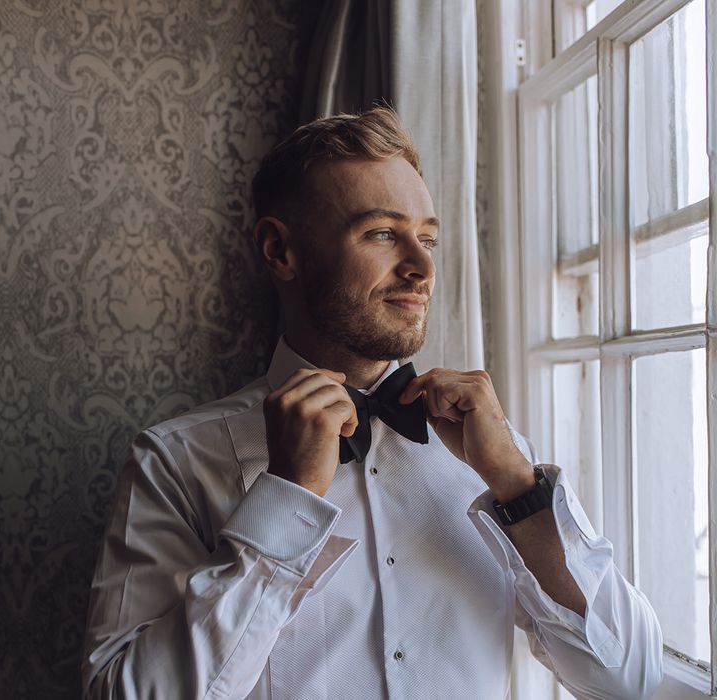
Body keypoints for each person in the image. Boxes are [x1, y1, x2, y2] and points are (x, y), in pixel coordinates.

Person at [82, 107, 663, 699]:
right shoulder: (175, 461)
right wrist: (286, 503)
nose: (423, 269)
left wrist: (517, 486)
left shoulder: (495, 460)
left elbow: (631, 680)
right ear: (280, 250)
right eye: (382, 234)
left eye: (428, 238)